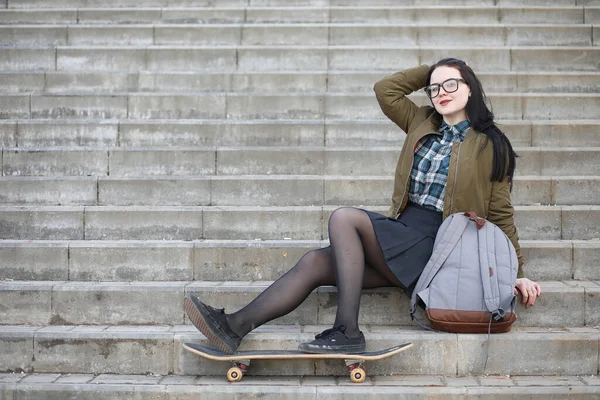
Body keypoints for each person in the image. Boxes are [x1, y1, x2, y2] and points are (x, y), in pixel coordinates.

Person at [184, 58, 541, 355]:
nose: (440, 93)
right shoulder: (421, 121)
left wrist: (516, 270)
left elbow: (500, 214)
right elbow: (385, 90)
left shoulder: (490, 145)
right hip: (405, 232)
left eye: (451, 85)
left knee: (345, 219)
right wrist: (431, 70)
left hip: (440, 244)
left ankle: (348, 331)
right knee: (316, 262)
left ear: (470, 88)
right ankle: (234, 327)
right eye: (434, 88)